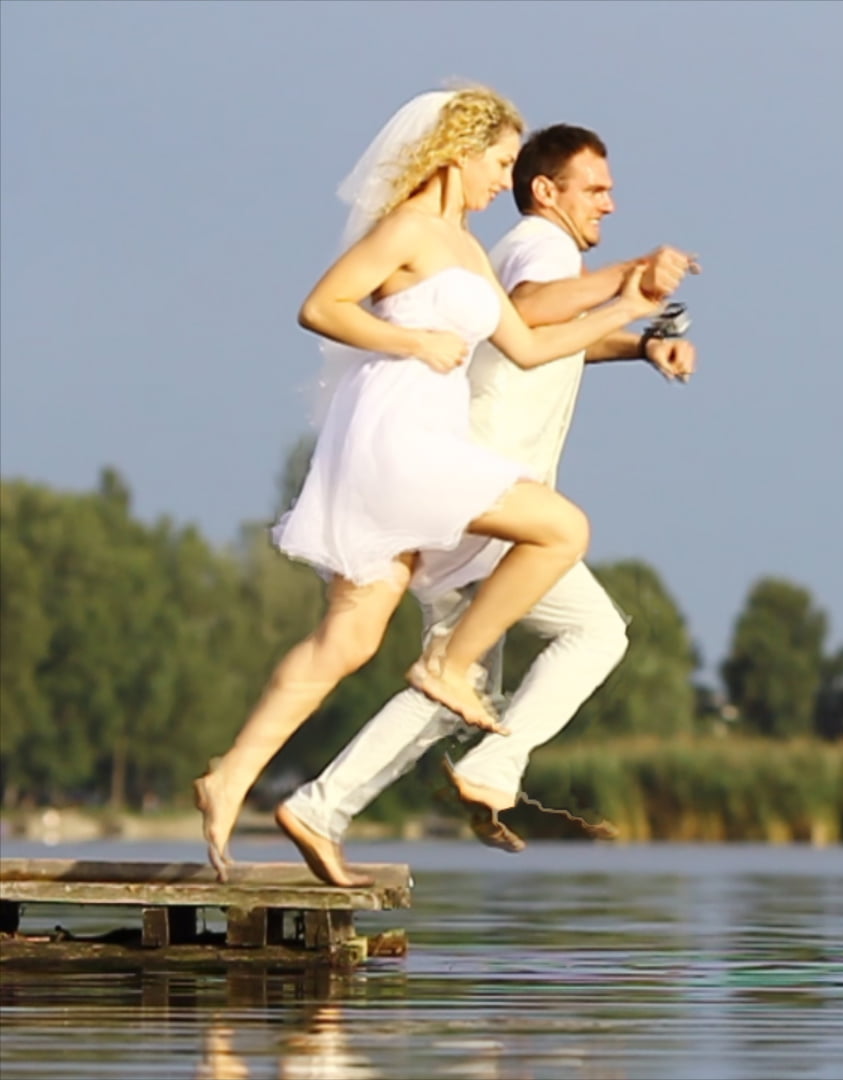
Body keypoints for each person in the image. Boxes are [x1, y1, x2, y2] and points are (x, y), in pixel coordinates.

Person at [193, 87, 667, 881]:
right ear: (459, 153)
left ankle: (231, 776)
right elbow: (321, 306)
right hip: (399, 436)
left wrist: (630, 314)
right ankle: (448, 674)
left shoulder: (469, 247)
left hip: (428, 440)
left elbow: (525, 345)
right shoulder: (409, 228)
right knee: (563, 529)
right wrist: (409, 339)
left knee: (348, 638)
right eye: (499, 163)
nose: (501, 182)